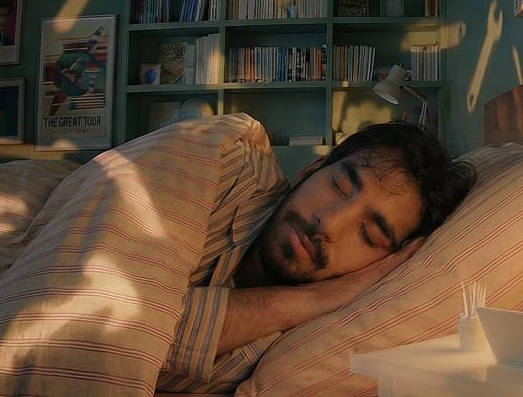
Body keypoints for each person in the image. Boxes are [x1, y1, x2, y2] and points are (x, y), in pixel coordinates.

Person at [155, 121, 476, 392]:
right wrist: (311, 298)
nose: (329, 223)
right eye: (339, 186)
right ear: (309, 171)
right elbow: (128, 321)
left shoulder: (304, 350)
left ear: (384, 262)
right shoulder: (227, 171)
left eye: (368, 234)